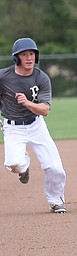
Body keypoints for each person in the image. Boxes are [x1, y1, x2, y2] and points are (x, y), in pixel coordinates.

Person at [0, 38, 67, 213]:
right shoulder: (4, 77)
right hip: (13, 128)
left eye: (32, 54)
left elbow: (45, 110)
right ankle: (24, 167)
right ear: (17, 58)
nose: (29, 58)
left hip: (37, 126)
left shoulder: (41, 77)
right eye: (24, 54)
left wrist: (28, 103)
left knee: (55, 167)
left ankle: (55, 201)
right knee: (14, 164)